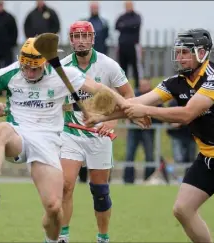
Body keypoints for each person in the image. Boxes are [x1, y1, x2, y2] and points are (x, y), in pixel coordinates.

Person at [0, 37, 147, 243]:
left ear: (44, 63)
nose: (29, 73)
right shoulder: (9, 73)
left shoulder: (64, 75)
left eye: (34, 68)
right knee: (0, 130)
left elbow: (102, 90)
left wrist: (131, 110)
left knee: (54, 209)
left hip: (48, 144)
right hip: (19, 136)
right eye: (25, 67)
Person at [85, 28, 214, 243]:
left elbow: (186, 115)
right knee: (183, 210)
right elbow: (135, 103)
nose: (180, 57)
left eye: (186, 52)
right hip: (208, 156)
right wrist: (101, 115)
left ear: (202, 53)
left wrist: (147, 112)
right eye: (179, 52)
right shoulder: (175, 82)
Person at [58, 20, 134, 243]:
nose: (81, 41)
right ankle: (62, 236)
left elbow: (129, 97)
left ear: (93, 39)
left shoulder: (108, 65)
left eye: (85, 36)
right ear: (71, 40)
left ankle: (103, 237)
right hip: (70, 132)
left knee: (100, 192)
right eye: (76, 36)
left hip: (99, 135)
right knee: (65, 185)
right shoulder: (61, 66)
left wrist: (112, 122)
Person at [115, 1, 143, 88]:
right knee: (123, 69)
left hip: (133, 46)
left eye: (129, 5)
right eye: (126, 6)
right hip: (123, 46)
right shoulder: (121, 17)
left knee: (136, 67)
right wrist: (127, 26)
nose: (128, 7)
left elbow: (135, 25)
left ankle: (137, 87)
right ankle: (124, 87)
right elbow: (116, 26)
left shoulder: (137, 16)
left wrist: (124, 25)